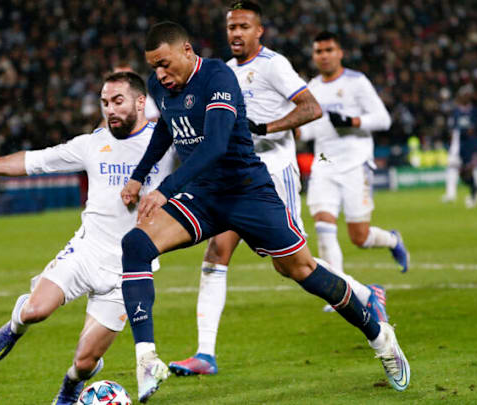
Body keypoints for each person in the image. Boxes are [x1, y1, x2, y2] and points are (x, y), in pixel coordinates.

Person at [119, 21, 410, 403]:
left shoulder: (219, 76)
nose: (159, 75)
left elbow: (217, 145)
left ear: (187, 51)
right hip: (203, 196)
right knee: (135, 246)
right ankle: (148, 360)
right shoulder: (161, 85)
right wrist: (139, 177)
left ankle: (379, 336)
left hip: (248, 193)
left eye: (165, 64)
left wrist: (163, 189)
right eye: (153, 66)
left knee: (300, 269)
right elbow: (167, 131)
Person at [0, 72, 176, 404]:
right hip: (85, 252)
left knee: (85, 362)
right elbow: (34, 162)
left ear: (141, 102)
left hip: (129, 273)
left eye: (118, 101)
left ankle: (71, 385)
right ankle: (16, 324)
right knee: (36, 311)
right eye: (104, 103)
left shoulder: (165, 145)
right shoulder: (92, 143)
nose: (110, 110)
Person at [169, 0, 323, 376]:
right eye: (231, 27)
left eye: (243, 27)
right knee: (216, 251)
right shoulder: (223, 73)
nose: (235, 33)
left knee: (293, 266)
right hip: (235, 177)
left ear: (259, 31)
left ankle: (366, 295)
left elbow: (311, 108)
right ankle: (205, 353)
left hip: (273, 174)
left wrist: (265, 128)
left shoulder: (273, 65)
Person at [298, 31, 410, 313]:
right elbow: (311, 128)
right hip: (324, 165)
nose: (323, 55)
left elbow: (383, 119)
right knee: (323, 227)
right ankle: (339, 293)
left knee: (359, 237)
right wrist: (292, 128)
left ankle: (393, 240)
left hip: (355, 165)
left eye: (328, 50)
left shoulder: (356, 82)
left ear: (340, 53)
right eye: (318, 51)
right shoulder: (312, 87)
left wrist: (352, 120)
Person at [449, 86, 477, 208]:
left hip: (471, 144)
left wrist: (473, 131)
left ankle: (474, 195)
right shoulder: (457, 111)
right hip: (461, 145)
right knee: (463, 173)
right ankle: (474, 189)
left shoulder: (475, 111)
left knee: (470, 169)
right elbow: (455, 127)